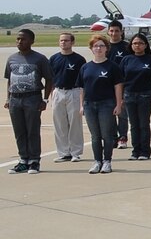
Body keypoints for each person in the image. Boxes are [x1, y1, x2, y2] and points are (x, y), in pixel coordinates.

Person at [5, 29, 53, 174]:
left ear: (32, 41)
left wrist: (44, 99)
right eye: (18, 39)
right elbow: (9, 79)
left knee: (32, 130)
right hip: (15, 99)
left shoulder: (40, 59)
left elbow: (49, 79)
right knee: (19, 131)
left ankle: (34, 161)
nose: (20, 42)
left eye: (23, 39)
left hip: (32, 98)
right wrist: (8, 98)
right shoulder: (12, 59)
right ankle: (23, 160)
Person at [78, 34, 123, 174]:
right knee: (95, 136)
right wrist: (81, 105)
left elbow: (118, 86)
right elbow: (82, 88)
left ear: (106, 48)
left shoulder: (112, 67)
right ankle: (97, 161)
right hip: (89, 104)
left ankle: (107, 161)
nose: (98, 48)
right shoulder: (85, 67)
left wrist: (118, 104)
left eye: (101, 46)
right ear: (91, 49)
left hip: (107, 104)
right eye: (95, 46)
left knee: (107, 135)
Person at [120, 33, 151, 161]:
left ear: (145, 45)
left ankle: (144, 151)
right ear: (131, 45)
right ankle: (135, 151)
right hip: (129, 95)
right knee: (133, 124)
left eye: (140, 43)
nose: (137, 46)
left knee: (143, 124)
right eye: (135, 43)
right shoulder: (126, 60)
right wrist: (120, 98)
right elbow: (120, 81)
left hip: (145, 95)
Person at [49, 33, 85, 163]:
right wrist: (50, 96)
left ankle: (75, 152)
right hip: (58, 92)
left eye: (66, 40)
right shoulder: (53, 59)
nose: (63, 43)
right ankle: (64, 153)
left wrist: (82, 99)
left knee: (75, 123)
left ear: (72, 42)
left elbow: (82, 81)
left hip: (74, 92)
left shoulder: (79, 60)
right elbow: (50, 79)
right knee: (59, 123)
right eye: (61, 40)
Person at [106, 20, 132, 149]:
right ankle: (112, 137)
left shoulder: (127, 47)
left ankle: (123, 137)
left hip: (123, 84)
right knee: (109, 112)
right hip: (107, 84)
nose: (114, 33)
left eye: (117, 31)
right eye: (111, 31)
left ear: (121, 32)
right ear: (108, 32)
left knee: (122, 112)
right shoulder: (104, 46)